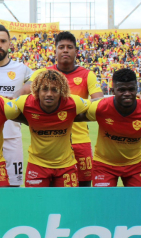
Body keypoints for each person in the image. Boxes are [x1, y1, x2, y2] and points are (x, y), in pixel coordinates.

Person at [20, 31, 103, 187]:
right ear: (55, 51)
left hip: (80, 140)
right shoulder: (42, 73)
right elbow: (24, 96)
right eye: (61, 47)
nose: (65, 50)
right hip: (50, 141)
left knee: (83, 188)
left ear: (76, 52)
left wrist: (69, 113)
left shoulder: (87, 75)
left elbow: (99, 102)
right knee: (47, 189)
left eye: (70, 47)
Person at [75, 68, 141, 187]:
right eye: (122, 90)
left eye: (131, 89)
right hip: (103, 165)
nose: (127, 93)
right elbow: (72, 116)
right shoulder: (100, 107)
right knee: (104, 204)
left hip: (136, 165)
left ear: (136, 89)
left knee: (138, 204)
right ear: (113, 91)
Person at [14, 70, 89, 187]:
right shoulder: (24, 102)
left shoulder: (74, 102)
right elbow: (5, 109)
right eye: (44, 89)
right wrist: (30, 121)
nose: (49, 94)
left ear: (62, 92)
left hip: (66, 166)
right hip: (36, 165)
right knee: (36, 204)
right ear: (37, 91)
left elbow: (97, 106)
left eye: (54, 90)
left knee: (67, 204)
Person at [0, 24, 33, 187]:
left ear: (10, 43)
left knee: (13, 186)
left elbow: (36, 81)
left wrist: (19, 93)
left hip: (12, 137)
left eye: (3, 41)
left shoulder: (21, 69)